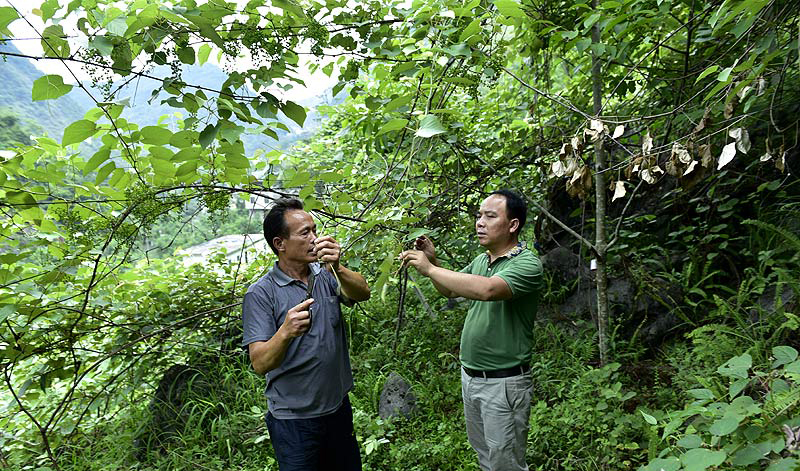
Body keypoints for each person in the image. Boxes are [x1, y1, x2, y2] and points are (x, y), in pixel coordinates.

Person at [399, 189, 543, 471]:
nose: (480, 222)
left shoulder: (527, 263)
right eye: (479, 216)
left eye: (490, 216)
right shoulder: (482, 260)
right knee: (486, 458)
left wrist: (429, 269)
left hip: (503, 383)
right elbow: (450, 290)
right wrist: (435, 263)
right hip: (472, 377)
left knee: (506, 463)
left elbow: (488, 290)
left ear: (513, 225)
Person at [242, 198, 370, 471]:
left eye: (314, 229)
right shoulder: (261, 293)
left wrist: (339, 266)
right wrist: (285, 332)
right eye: (305, 233)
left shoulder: (325, 274)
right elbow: (260, 363)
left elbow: (363, 293)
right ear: (280, 244)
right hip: (294, 423)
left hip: (337, 410)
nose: (315, 238)